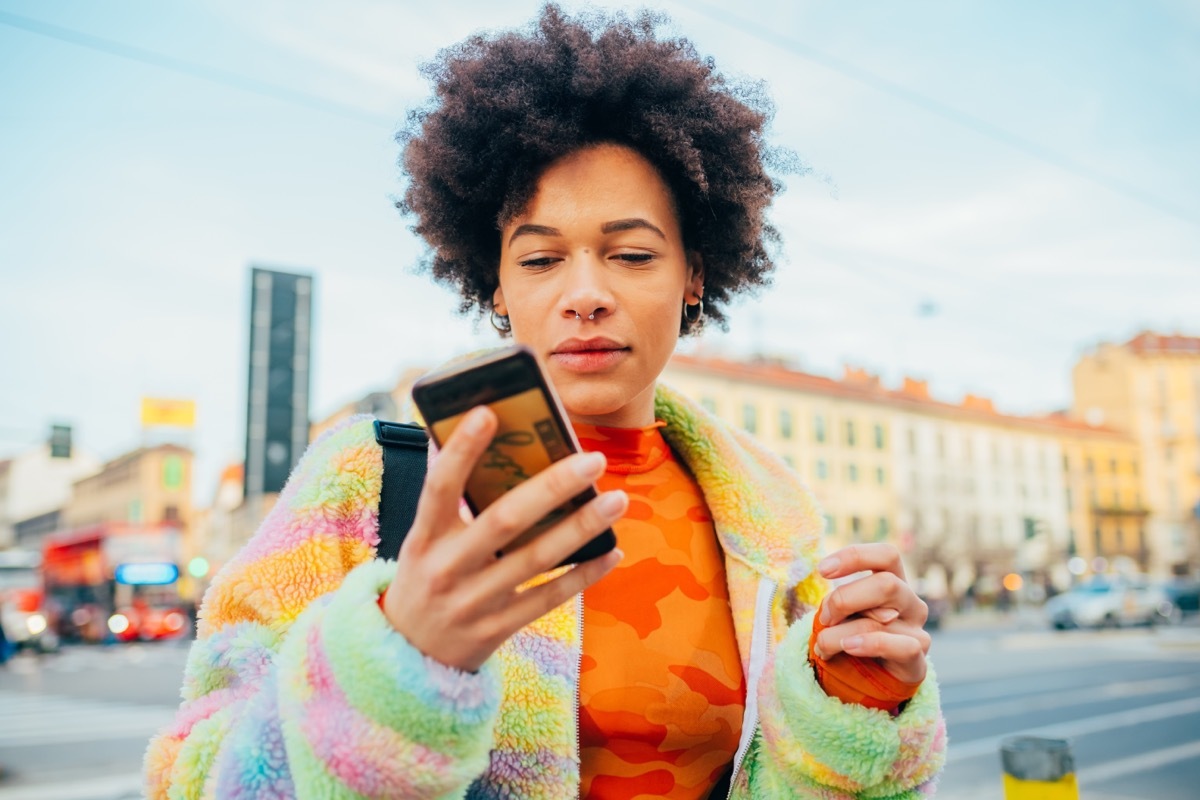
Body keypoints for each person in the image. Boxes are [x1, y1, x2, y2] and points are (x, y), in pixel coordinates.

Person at [144, 6, 945, 798]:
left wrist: (855, 705)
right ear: (494, 284)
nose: (585, 294)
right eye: (539, 260)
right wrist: (393, 663)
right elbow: (196, 779)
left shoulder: (771, 525)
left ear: (693, 276)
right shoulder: (365, 483)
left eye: (632, 254)